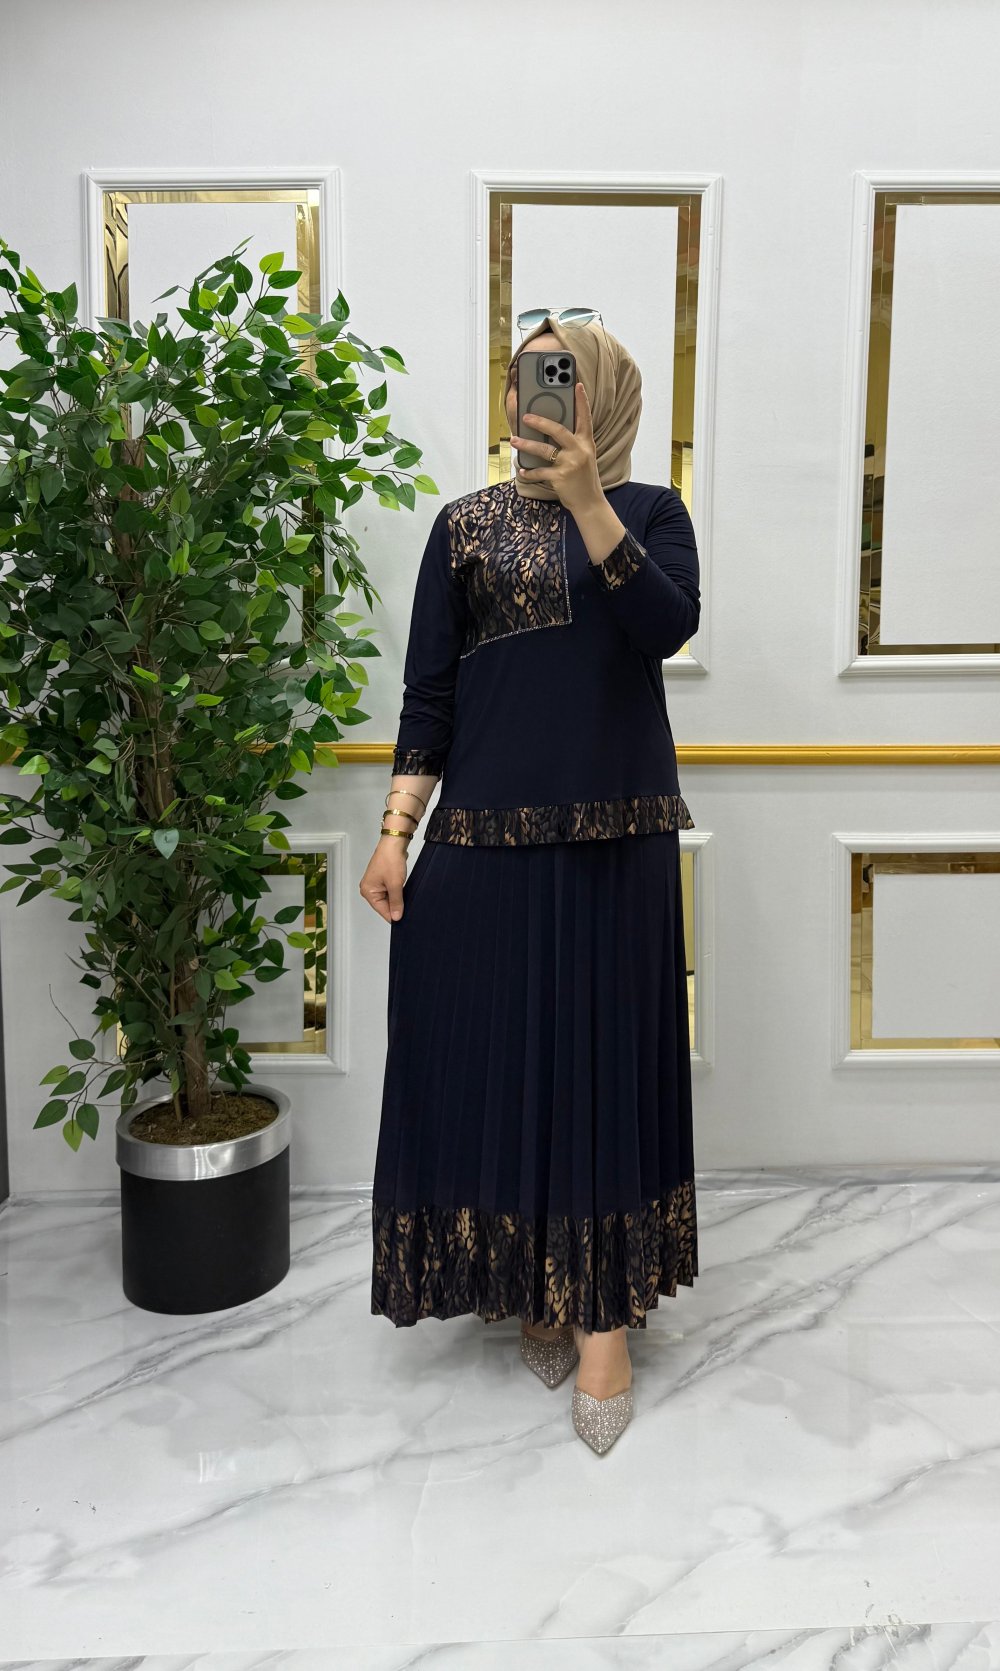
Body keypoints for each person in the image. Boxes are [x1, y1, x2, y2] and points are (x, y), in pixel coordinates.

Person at [360, 311, 700, 1455]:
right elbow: (430, 695)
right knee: (500, 1062)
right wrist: (396, 832)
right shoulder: (462, 525)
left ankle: (602, 1318)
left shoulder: (650, 512)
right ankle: (535, 1280)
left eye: (558, 376)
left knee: (598, 1069)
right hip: (484, 835)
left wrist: (592, 499)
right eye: (523, 378)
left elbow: (663, 627)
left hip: (616, 835)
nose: (534, 396)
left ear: (600, 393)